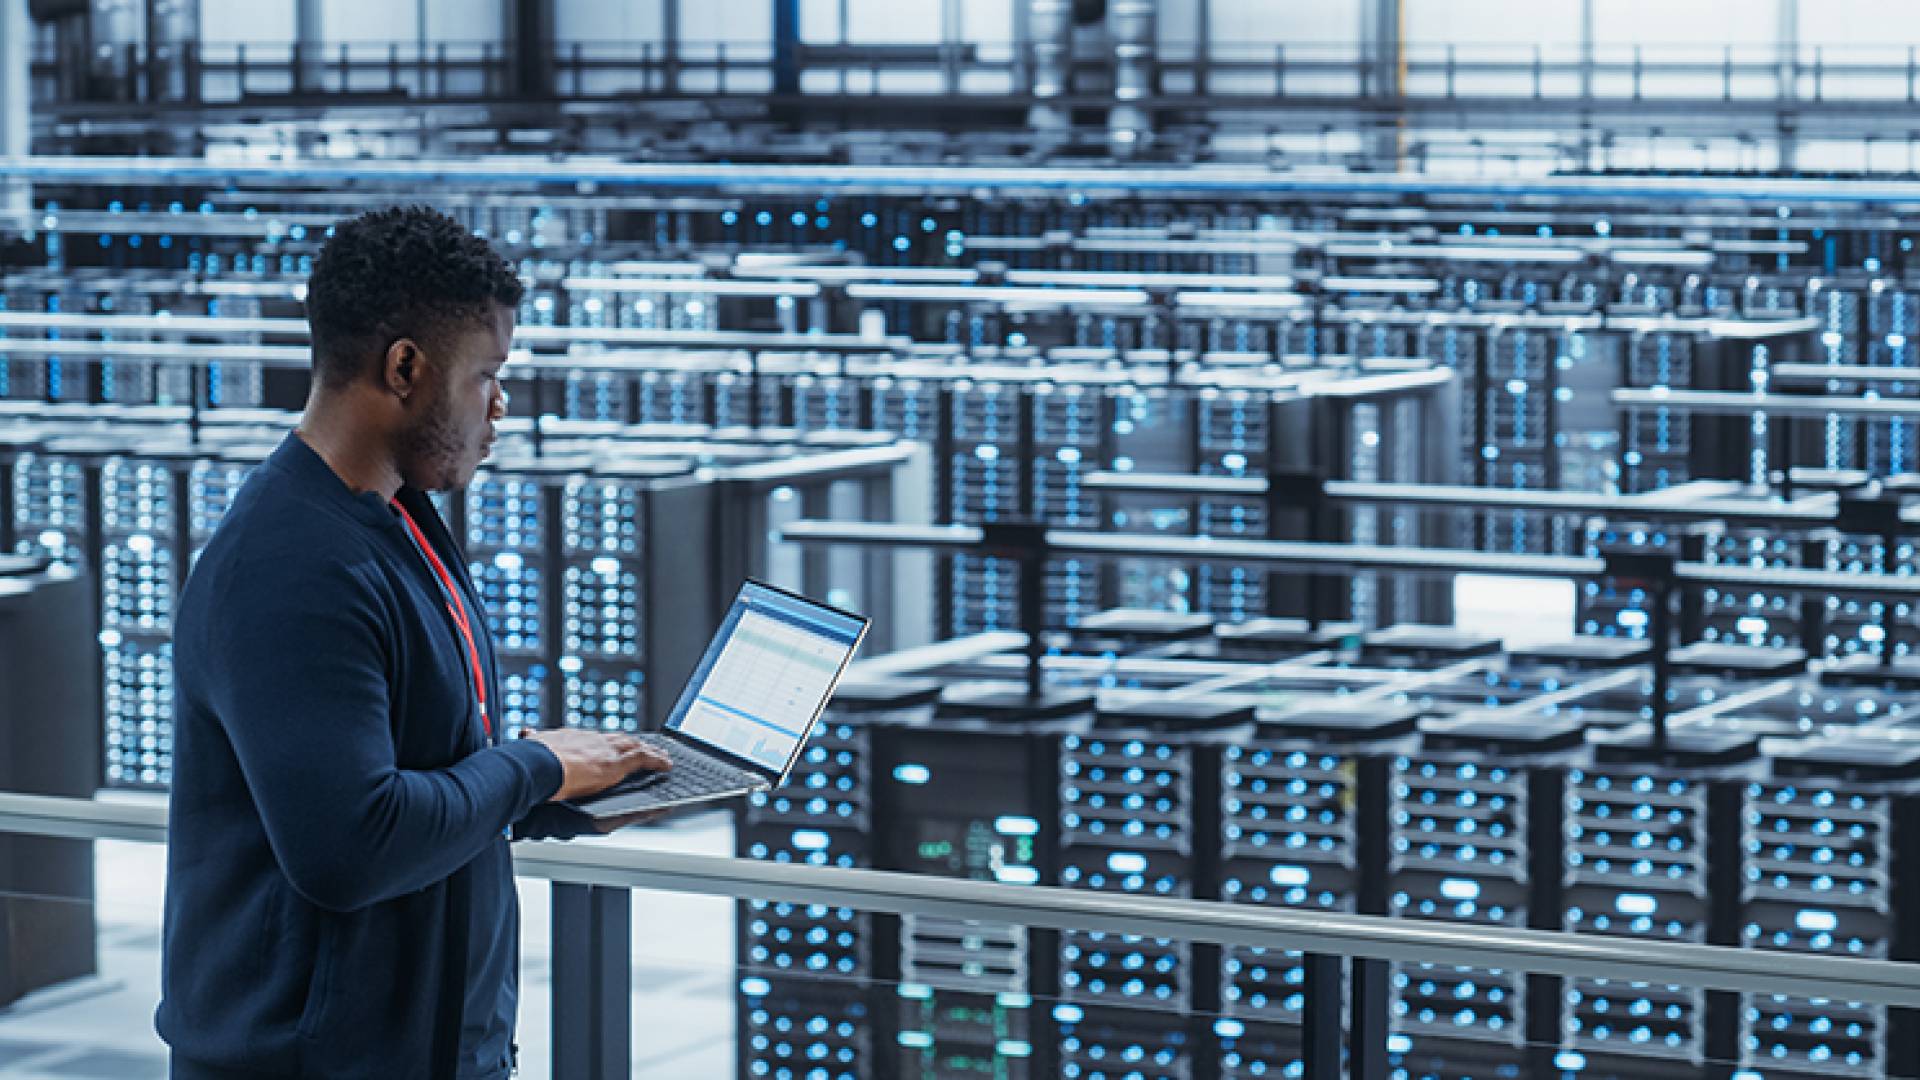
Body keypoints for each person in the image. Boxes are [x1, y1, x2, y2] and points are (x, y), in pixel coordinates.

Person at [156, 206, 668, 1079]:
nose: (500, 408)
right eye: (487, 377)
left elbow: (415, 768)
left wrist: (559, 790)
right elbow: (349, 846)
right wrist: (532, 769)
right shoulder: (291, 565)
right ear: (404, 367)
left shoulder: (398, 526)